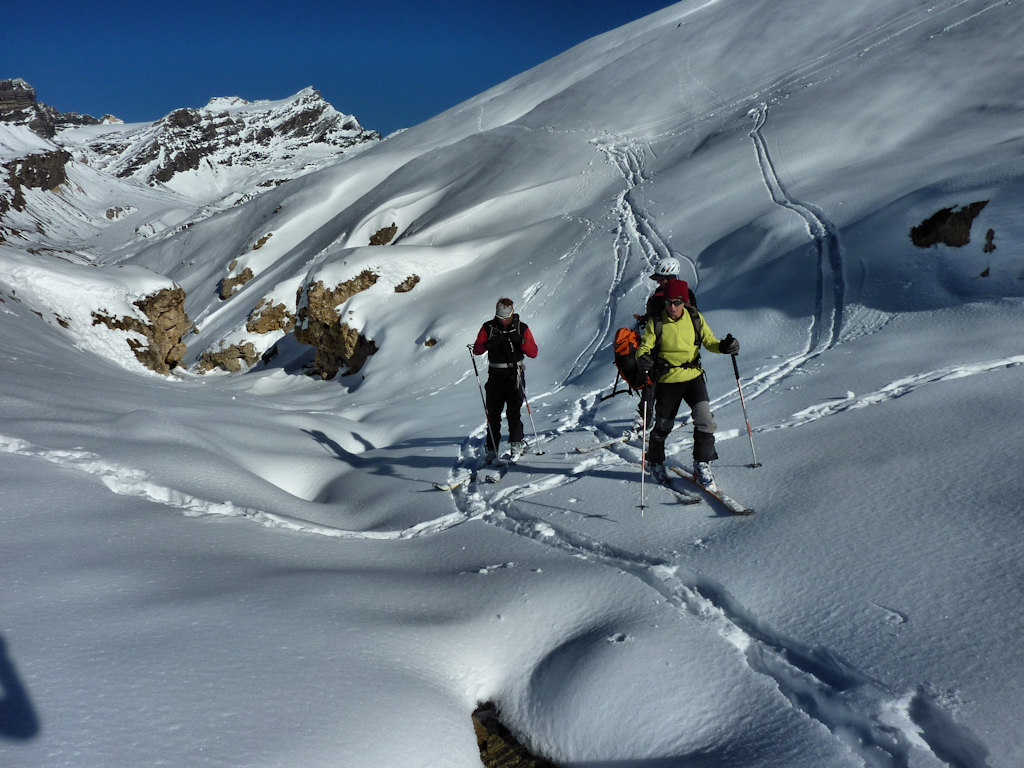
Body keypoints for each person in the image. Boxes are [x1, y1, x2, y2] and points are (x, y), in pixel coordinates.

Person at [635, 278, 739, 489]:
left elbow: (710, 343)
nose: (672, 307)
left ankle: (702, 463)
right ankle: (655, 461)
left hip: (693, 377)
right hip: (668, 380)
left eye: (676, 302)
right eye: (668, 302)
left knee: (705, 420)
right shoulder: (657, 322)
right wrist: (643, 358)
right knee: (663, 426)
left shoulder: (694, 318)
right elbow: (643, 348)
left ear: (684, 302)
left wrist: (726, 346)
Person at [472, 298, 539, 462]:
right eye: (500, 318)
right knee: (493, 413)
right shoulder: (488, 327)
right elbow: (477, 350)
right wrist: (488, 344)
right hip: (495, 375)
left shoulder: (521, 328)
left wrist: (521, 341)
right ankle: (491, 448)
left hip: (514, 374)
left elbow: (533, 352)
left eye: (506, 318)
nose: (503, 321)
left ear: (512, 312)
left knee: (513, 411)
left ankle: (516, 443)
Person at [626, 256, 682, 438]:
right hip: (683, 346)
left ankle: (646, 419)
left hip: (659, 347)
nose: (658, 281)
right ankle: (698, 410)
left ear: (669, 277)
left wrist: (645, 322)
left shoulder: (658, 299)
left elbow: (655, 322)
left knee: (650, 381)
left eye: (660, 278)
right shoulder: (685, 295)